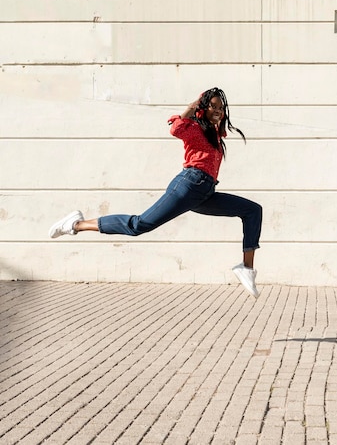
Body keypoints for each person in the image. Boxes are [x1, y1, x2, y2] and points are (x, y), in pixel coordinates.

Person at [49, 87, 263, 298]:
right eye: (213, 106)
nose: (218, 110)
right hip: (188, 185)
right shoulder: (194, 128)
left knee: (252, 210)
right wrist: (193, 106)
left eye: (221, 107)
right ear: (202, 108)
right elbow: (176, 128)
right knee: (139, 225)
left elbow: (219, 125)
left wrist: (214, 114)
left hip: (205, 192)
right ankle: (76, 224)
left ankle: (246, 268)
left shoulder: (214, 133)